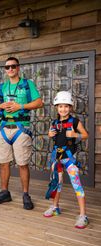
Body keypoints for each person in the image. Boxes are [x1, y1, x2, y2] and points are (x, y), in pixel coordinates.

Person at [0, 57, 43, 210]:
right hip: (4, 128)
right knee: (3, 162)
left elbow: (39, 103)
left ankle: (26, 195)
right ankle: (4, 192)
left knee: (22, 164)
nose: (10, 69)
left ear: (18, 68)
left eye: (13, 66)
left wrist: (21, 105)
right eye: (7, 67)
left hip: (21, 128)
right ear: (5, 70)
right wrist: (1, 106)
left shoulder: (27, 84)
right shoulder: (3, 87)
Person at [43, 91, 89, 229]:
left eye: (66, 106)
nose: (63, 109)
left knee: (77, 186)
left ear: (71, 107)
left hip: (69, 159)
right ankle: (55, 207)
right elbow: (53, 136)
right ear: (56, 108)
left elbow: (85, 135)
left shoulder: (75, 121)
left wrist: (75, 134)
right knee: (57, 184)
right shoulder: (55, 122)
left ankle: (83, 215)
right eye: (60, 106)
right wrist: (49, 134)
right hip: (57, 159)